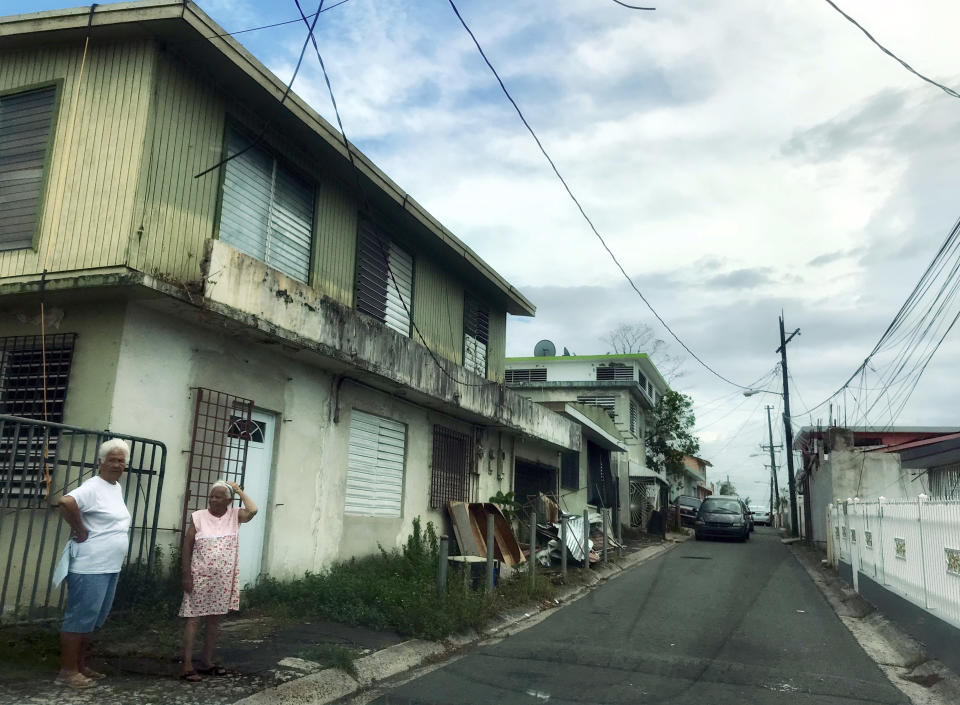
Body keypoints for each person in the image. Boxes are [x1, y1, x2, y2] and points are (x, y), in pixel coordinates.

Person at [56, 438, 132, 689]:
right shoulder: (93, 486)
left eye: (121, 461)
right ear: (101, 462)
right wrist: (80, 530)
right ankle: (67, 671)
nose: (117, 464)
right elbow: (66, 502)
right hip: (90, 565)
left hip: (109, 565)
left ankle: (80, 666)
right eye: (112, 459)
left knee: (93, 618)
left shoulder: (114, 487)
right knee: (79, 616)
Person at [179, 480, 258, 681]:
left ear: (229, 500)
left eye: (218, 496)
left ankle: (207, 661)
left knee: (214, 621)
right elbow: (187, 546)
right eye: (212, 496)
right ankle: (187, 665)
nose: (213, 499)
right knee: (194, 619)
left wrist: (239, 490)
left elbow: (254, 509)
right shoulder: (198, 517)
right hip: (199, 576)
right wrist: (186, 574)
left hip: (223, 579)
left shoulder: (235, 516)